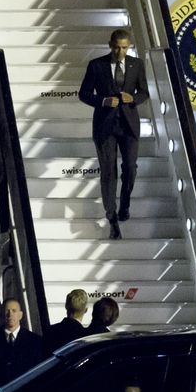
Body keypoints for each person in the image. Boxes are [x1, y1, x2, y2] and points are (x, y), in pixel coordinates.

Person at [79, 28, 149, 238]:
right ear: (110, 45)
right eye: (117, 47)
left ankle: (124, 205)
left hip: (129, 125)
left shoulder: (136, 65)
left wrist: (133, 99)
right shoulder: (96, 65)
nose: (121, 51)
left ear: (129, 47)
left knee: (130, 168)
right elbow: (83, 94)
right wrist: (102, 101)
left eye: (125, 48)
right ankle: (112, 217)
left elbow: (144, 91)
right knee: (108, 173)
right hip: (105, 126)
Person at [0, 297, 44, 391]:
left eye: (14, 311)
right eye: (7, 311)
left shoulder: (35, 341)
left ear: (20, 315)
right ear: (1, 315)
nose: (10, 314)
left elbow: (38, 370)